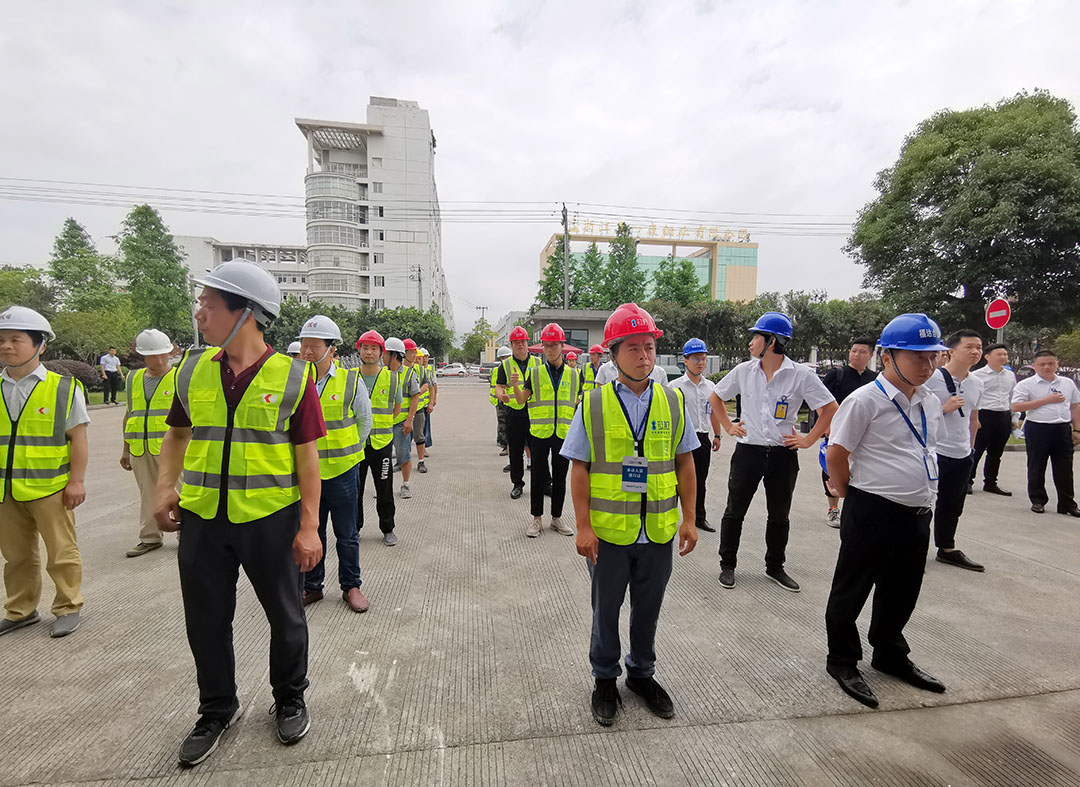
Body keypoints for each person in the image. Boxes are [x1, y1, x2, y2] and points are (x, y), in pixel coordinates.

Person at [153, 260, 325, 765]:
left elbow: (307, 458)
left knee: (286, 616)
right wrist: (165, 488)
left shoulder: (293, 377)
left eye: (209, 303)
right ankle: (217, 708)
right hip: (203, 518)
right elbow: (177, 436)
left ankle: (289, 698)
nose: (199, 312)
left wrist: (310, 527)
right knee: (205, 620)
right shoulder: (191, 370)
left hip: (271, 519)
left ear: (244, 312)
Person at [561, 302, 699, 726]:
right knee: (606, 612)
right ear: (614, 353)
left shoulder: (673, 402)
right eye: (634, 348)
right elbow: (579, 467)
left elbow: (685, 463)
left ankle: (641, 674)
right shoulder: (594, 403)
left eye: (650, 348)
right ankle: (604, 679)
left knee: (648, 610)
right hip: (608, 534)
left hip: (656, 532)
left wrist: (689, 518)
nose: (645, 356)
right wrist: (583, 526)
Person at [824, 313, 949, 709]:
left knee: (902, 589)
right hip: (872, 510)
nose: (928, 366)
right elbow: (837, 452)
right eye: (918, 357)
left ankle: (890, 653)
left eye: (933, 357)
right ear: (888, 356)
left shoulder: (930, 401)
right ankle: (843, 661)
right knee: (852, 589)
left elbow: (928, 450)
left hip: (916, 514)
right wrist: (846, 492)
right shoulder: (864, 401)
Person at [709, 312, 837, 592]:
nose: (751, 343)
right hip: (748, 453)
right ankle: (727, 565)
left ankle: (775, 567)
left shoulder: (801, 375)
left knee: (779, 515)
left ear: (773, 342)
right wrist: (729, 426)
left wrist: (809, 439)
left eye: (756, 337)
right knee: (734, 511)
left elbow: (829, 408)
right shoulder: (744, 371)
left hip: (782, 455)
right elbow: (716, 397)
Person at [0, 306, 89, 639]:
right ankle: (20, 611)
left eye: (15, 340)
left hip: (51, 487)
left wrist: (77, 481)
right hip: (5, 491)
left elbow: (78, 439)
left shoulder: (64, 388)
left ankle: (68, 606)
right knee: (15, 556)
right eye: (1, 340)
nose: (6, 346)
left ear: (40, 345)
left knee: (61, 552)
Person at [297, 315, 372, 613]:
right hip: (305, 474)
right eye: (305, 345)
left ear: (331, 349)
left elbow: (364, 422)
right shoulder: (295, 380)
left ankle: (351, 586)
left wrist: (349, 451)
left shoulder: (351, 381)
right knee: (310, 531)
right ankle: (312, 587)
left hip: (342, 472)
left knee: (347, 533)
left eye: (315, 346)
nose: (308, 352)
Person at [924, 329, 985, 571]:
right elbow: (915, 413)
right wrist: (944, 408)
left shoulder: (977, 383)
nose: (975, 351)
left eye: (978, 347)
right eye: (969, 346)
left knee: (952, 504)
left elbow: (973, 418)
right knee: (921, 503)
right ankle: (909, 550)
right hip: (934, 451)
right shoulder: (930, 378)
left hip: (961, 454)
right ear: (951, 351)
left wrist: (970, 449)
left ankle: (946, 548)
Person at [121, 329, 179, 557]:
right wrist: (125, 449)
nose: (157, 360)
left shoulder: (178, 377)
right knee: (147, 493)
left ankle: (186, 534)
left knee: (180, 492)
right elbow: (129, 414)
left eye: (161, 355)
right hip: (140, 447)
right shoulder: (133, 379)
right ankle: (150, 537)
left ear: (169, 353)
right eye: (150, 356)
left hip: (172, 450)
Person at [517, 322, 578, 538]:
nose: (550, 349)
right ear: (542, 347)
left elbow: (577, 405)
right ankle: (536, 520)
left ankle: (557, 518)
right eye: (546, 345)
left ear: (562, 346)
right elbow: (522, 399)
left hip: (564, 433)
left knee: (560, 478)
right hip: (540, 433)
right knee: (538, 477)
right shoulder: (534, 373)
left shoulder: (574, 375)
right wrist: (515, 387)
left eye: (554, 345)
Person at [1011, 350, 1080, 516]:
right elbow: (1016, 406)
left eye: (1050, 363)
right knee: (1037, 465)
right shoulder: (1026, 384)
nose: (1047, 367)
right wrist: (1046, 400)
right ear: (1034, 366)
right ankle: (1038, 500)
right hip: (1038, 428)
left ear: (1057, 364)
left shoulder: (1067, 383)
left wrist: (1077, 429)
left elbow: (1075, 406)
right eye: (1042, 364)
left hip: (1062, 428)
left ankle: (1067, 503)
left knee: (1064, 468)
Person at [821, 338, 877, 527]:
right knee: (831, 466)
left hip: (866, 433)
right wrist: (827, 427)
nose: (856, 355)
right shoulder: (837, 374)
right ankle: (833, 509)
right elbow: (821, 403)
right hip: (837, 430)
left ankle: (857, 508)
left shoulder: (875, 378)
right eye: (853, 351)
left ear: (871, 355)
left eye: (862, 352)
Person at [355, 330, 401, 545]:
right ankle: (354, 527)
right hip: (356, 445)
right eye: (365, 347)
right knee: (355, 489)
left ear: (381, 353)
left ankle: (387, 528)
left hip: (381, 445)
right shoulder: (350, 377)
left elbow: (396, 408)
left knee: (384, 489)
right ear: (359, 350)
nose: (369, 352)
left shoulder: (392, 378)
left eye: (374, 348)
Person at [670, 338, 719, 533]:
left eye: (703, 359)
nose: (700, 363)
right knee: (674, 481)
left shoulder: (711, 387)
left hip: (702, 439)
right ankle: (670, 518)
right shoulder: (674, 386)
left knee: (700, 481)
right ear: (685, 360)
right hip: (679, 440)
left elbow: (715, 411)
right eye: (696, 358)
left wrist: (718, 436)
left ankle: (699, 518)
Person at [495, 326, 540, 500]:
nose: (520, 345)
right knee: (515, 451)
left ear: (528, 343)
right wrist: (502, 396)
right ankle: (517, 484)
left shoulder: (538, 363)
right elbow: (499, 386)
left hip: (535, 413)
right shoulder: (505, 365)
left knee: (538, 451)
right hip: (513, 413)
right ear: (512, 345)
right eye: (516, 342)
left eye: (523, 342)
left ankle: (542, 483)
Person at [970, 343, 1017, 496]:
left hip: (1003, 415)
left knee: (996, 452)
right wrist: (973, 419)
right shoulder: (977, 375)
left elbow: (1012, 397)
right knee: (976, 450)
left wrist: (1014, 417)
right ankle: (967, 481)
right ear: (988, 356)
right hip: (984, 415)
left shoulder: (1010, 375)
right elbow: (971, 398)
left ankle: (990, 483)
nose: (1003, 357)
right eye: (999, 354)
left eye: (1005, 354)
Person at [391, 338, 421, 498]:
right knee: (384, 458)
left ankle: (405, 485)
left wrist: (409, 420)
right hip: (383, 424)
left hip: (401, 423)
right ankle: (384, 487)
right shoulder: (382, 373)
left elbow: (415, 397)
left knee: (404, 455)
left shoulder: (410, 374)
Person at [406, 340, 430, 474]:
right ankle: (402, 461)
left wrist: (416, 393)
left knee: (419, 436)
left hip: (418, 408)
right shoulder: (398, 369)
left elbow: (426, 385)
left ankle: (421, 462)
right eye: (413, 352)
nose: (415, 356)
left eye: (416, 353)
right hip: (402, 410)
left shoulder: (421, 370)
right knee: (403, 437)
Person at [490, 345, 512, 456]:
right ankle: (505, 446)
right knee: (503, 424)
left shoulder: (505, 368)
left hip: (507, 401)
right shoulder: (500, 370)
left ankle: (507, 446)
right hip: (501, 401)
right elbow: (497, 386)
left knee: (506, 424)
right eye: (506, 357)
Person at [594, 355, 668, 387]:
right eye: (634, 349)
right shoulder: (604, 369)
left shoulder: (660, 372)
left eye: (649, 348)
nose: (643, 355)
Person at [420, 347, 436, 452]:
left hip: (424, 404)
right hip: (412, 404)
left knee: (424, 427)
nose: (425, 359)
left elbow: (433, 386)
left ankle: (424, 448)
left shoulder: (430, 369)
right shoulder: (413, 369)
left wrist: (432, 401)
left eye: (426, 357)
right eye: (423, 357)